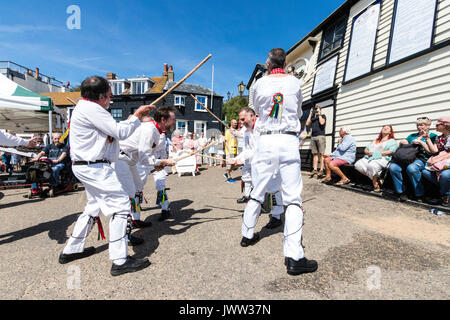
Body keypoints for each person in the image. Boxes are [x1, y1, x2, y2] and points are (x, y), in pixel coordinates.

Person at [58, 75, 154, 277]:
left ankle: (71, 250)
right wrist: (137, 116)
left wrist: (132, 119)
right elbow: (119, 132)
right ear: (100, 96)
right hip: (95, 168)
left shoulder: (85, 108)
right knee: (121, 206)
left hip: (87, 166)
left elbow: (112, 129)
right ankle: (120, 260)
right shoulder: (92, 109)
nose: (111, 100)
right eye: (109, 96)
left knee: (93, 207)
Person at [242, 48, 317, 276]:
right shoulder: (295, 83)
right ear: (284, 63)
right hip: (287, 139)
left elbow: (255, 108)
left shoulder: (258, 85)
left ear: (267, 62)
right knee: (293, 197)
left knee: (258, 189)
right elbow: (298, 109)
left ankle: (247, 234)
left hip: (265, 141)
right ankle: (294, 256)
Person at [114, 109, 176, 234]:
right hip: (122, 160)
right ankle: (124, 233)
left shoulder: (156, 131)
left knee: (137, 188)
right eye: (173, 119)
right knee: (127, 195)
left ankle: (135, 219)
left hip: (131, 161)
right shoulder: (150, 130)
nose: (174, 122)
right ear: (163, 120)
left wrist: (157, 165)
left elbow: (147, 156)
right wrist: (163, 162)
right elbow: (144, 159)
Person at [228, 107, 284, 229]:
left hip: (271, 162)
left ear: (252, 116)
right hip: (257, 164)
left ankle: (276, 216)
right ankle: (255, 211)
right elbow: (249, 150)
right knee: (257, 188)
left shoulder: (263, 127)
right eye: (240, 120)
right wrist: (237, 159)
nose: (241, 123)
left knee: (272, 189)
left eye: (243, 119)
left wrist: (240, 159)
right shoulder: (247, 131)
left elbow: (259, 149)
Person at [389, 117, 437, 202]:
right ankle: (401, 192)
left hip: (421, 158)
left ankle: (419, 194)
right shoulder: (412, 136)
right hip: (407, 157)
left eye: (422, 125)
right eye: (418, 125)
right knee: (393, 167)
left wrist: (421, 143)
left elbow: (431, 153)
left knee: (412, 168)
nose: (419, 127)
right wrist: (401, 142)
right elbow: (403, 148)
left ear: (428, 126)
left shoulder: (433, 136)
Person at [354, 125, 398, 192]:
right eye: (383, 127)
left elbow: (391, 151)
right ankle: (378, 178)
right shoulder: (375, 140)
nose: (385, 128)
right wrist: (368, 153)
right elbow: (366, 149)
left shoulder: (392, 141)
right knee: (358, 165)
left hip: (382, 158)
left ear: (390, 132)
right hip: (370, 157)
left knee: (372, 165)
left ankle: (375, 184)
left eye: (387, 128)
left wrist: (377, 154)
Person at [422, 116, 450, 207]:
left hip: (446, 163)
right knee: (425, 172)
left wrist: (438, 159)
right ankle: (444, 192)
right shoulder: (439, 138)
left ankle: (445, 197)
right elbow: (434, 150)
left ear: (445, 126)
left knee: (445, 175)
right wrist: (427, 139)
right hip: (441, 163)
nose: (436, 126)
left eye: (438, 125)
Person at [306, 105, 327, 178]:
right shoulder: (313, 118)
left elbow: (321, 123)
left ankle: (321, 170)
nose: (316, 111)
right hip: (313, 137)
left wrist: (319, 114)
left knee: (322, 154)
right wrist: (310, 113)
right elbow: (307, 124)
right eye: (315, 110)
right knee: (315, 154)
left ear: (320, 110)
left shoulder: (323, 116)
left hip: (320, 136)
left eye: (317, 109)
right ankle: (315, 169)